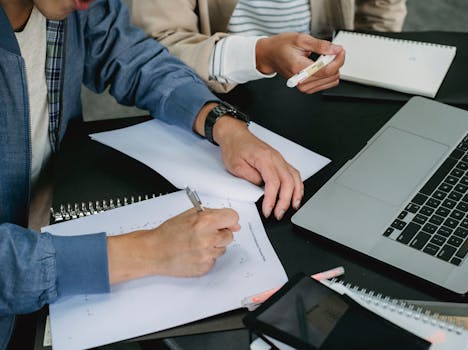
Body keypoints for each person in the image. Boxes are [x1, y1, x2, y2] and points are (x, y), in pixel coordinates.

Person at [0, 0, 303, 347]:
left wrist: (222, 123)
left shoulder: (74, 7)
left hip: (53, 221)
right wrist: (149, 250)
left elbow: (128, 55)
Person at [131, 0, 407, 94]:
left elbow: (380, 9)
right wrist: (259, 55)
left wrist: (362, 55)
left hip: (326, 78)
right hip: (215, 85)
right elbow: (156, 47)